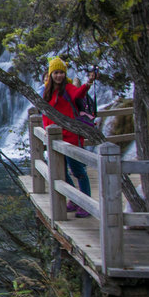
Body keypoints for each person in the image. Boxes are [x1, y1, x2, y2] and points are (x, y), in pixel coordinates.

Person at [41, 57, 97, 218]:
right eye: (56, 73)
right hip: (56, 137)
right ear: (51, 74)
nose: (59, 76)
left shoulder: (69, 88)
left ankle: (85, 203)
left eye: (61, 73)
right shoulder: (47, 91)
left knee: (78, 171)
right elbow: (46, 112)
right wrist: (46, 129)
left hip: (71, 136)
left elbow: (79, 94)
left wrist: (88, 83)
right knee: (61, 172)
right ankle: (74, 199)